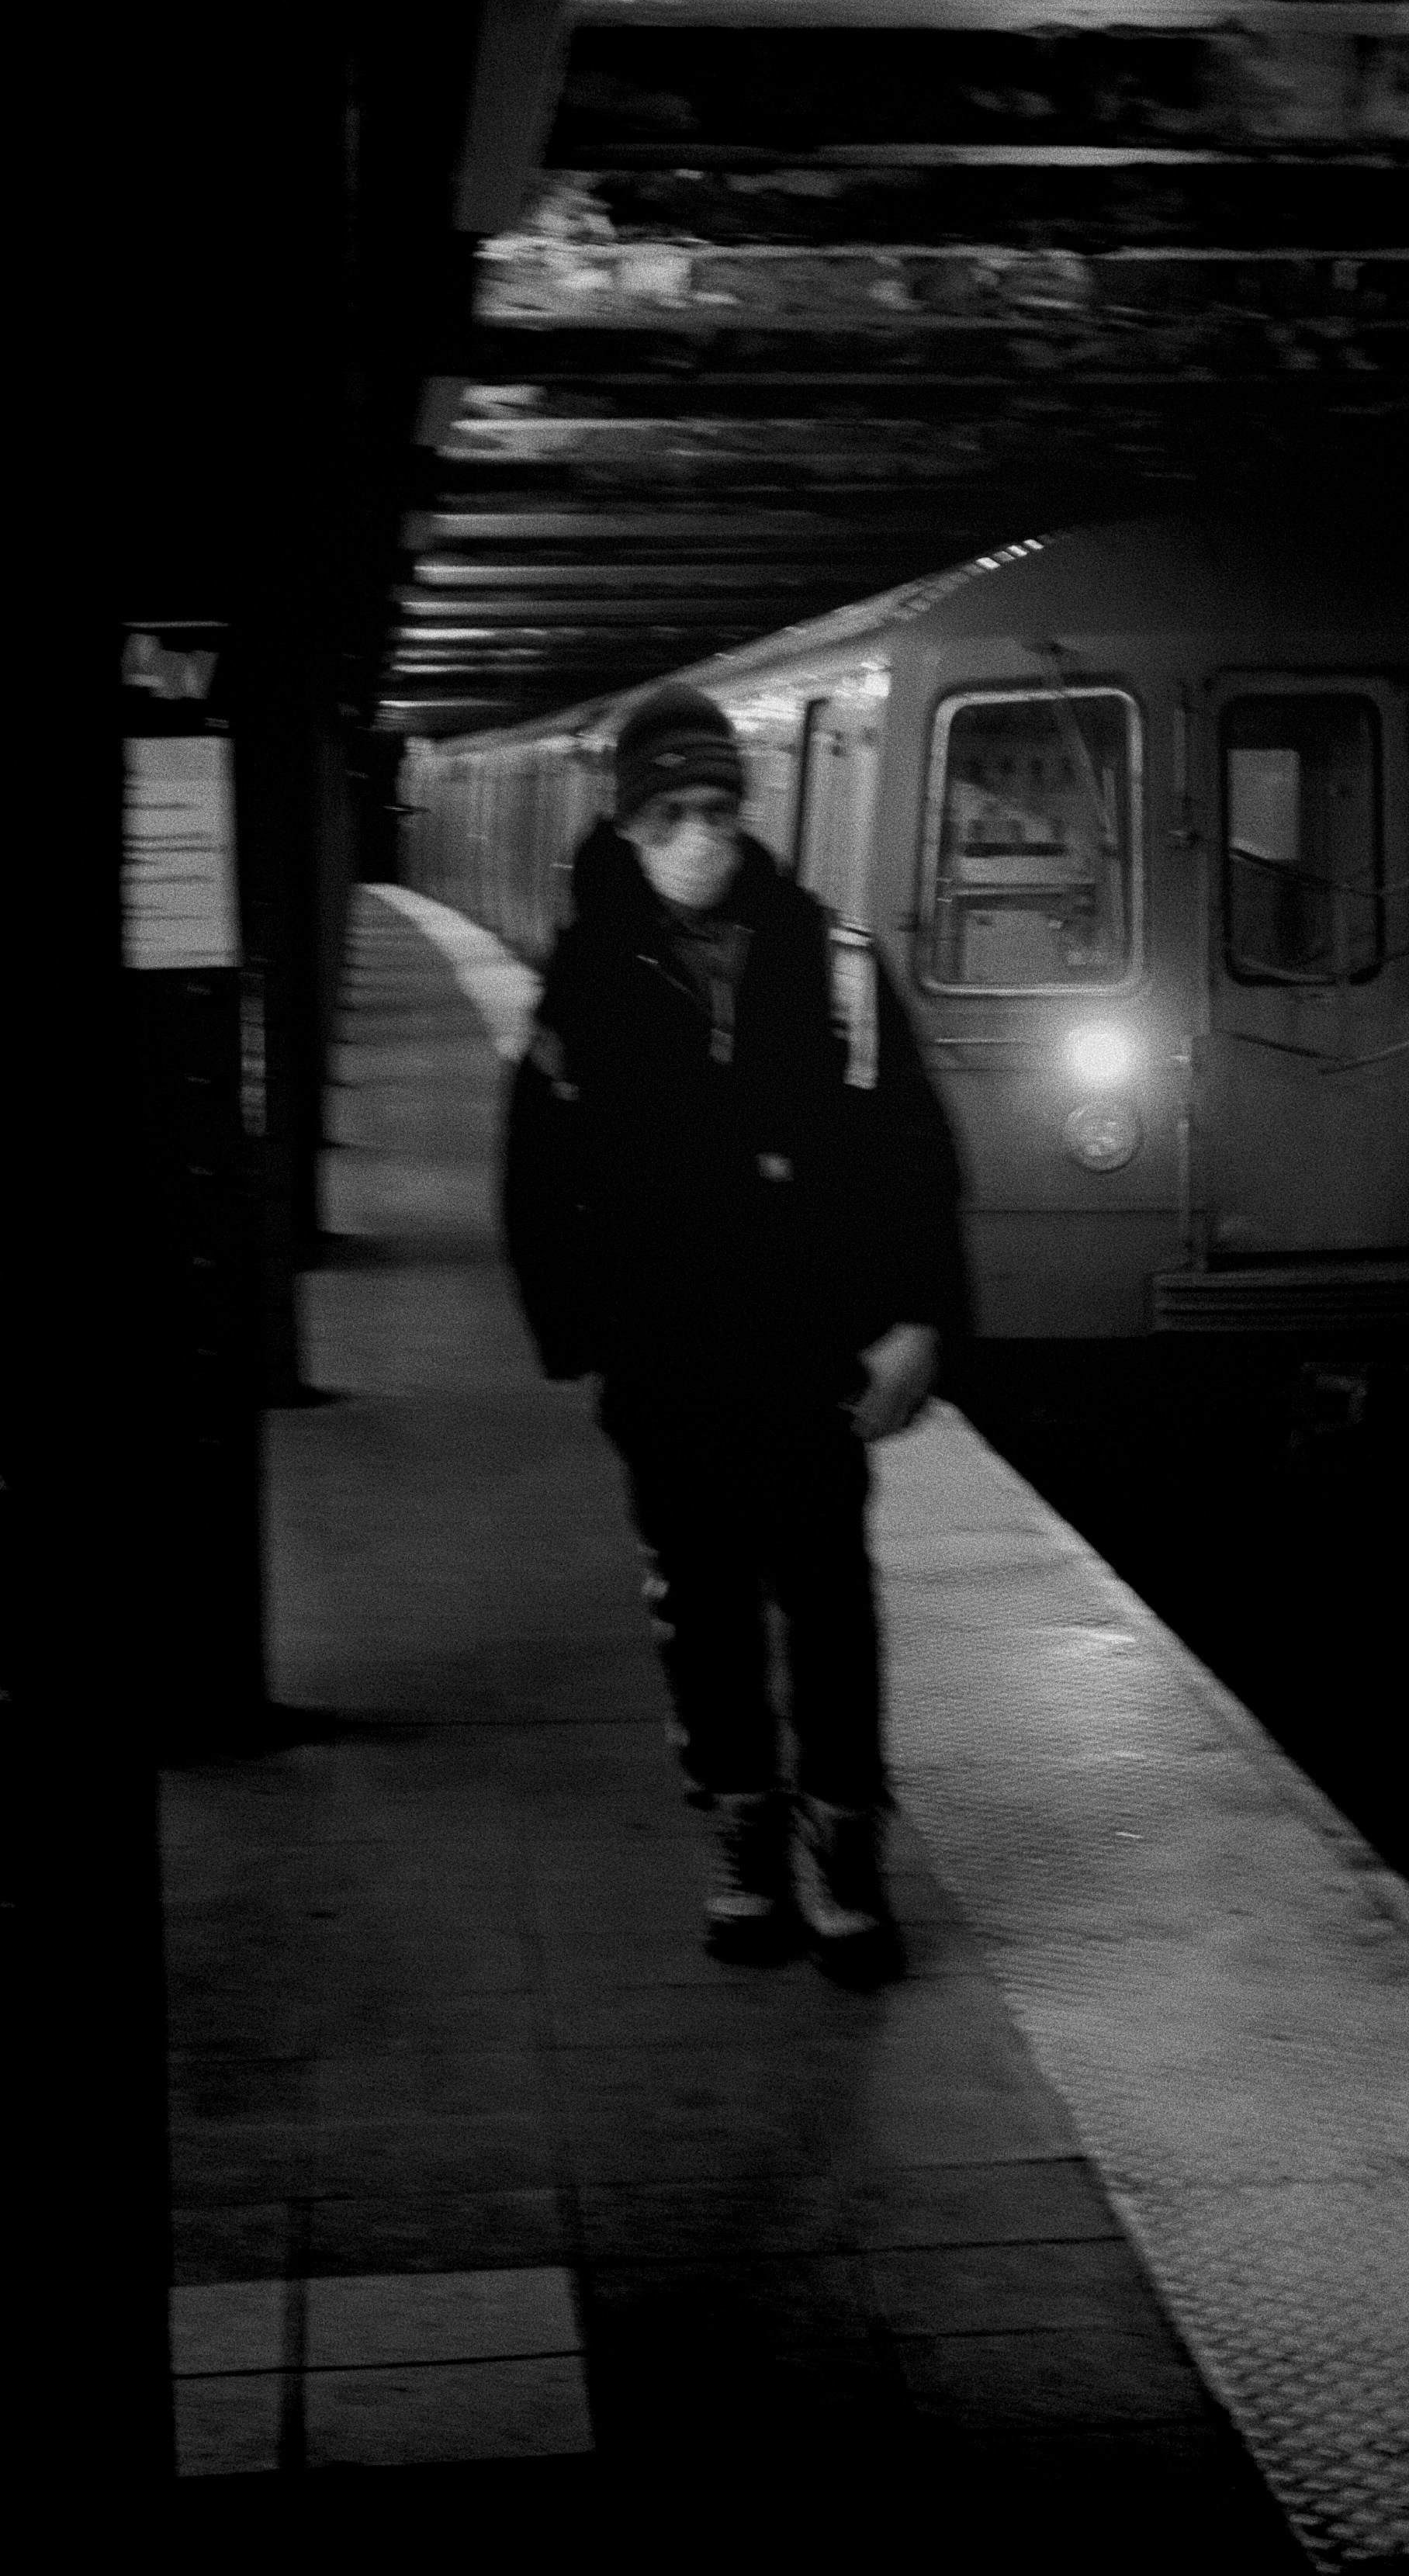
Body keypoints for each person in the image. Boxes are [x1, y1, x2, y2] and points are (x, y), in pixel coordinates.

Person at [502, 682, 971, 1984]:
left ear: (747, 811)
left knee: (831, 1608)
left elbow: (914, 1152)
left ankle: (847, 1855)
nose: (699, 832)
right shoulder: (584, 982)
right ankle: (745, 1842)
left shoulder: (835, 964)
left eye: (718, 806)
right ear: (633, 824)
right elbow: (537, 1174)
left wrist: (921, 1320)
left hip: (811, 1358)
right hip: (666, 1368)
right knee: (698, 1609)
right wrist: (581, 1338)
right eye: (672, 811)